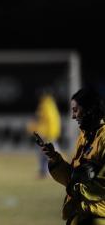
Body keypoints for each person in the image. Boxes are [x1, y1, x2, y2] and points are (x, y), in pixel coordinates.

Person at [40, 87, 105, 224]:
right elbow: (72, 178)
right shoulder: (85, 136)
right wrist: (54, 158)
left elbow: (101, 185)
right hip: (80, 214)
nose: (73, 116)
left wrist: (75, 188)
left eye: (76, 110)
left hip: (98, 217)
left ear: (90, 110)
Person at [27, 90, 62, 178]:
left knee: (51, 153)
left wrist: (48, 133)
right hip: (48, 132)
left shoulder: (46, 105)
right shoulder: (49, 104)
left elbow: (49, 121)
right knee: (44, 152)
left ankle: (58, 170)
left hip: (47, 133)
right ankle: (44, 171)